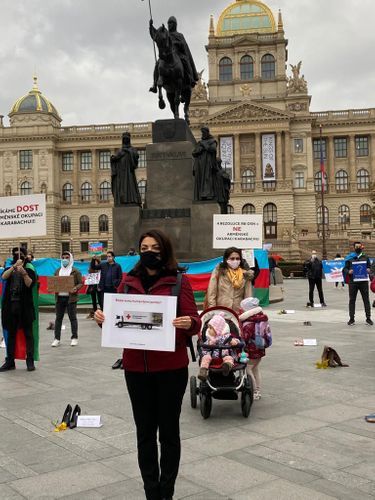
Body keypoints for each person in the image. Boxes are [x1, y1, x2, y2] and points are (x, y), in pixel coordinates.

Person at [94, 229, 201, 500]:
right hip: (136, 370)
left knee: (168, 433)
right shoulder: (128, 282)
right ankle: (151, 492)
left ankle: (167, 491)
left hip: (171, 369)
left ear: (164, 250)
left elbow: (195, 320)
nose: (149, 251)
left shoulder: (179, 281)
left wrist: (190, 324)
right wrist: (102, 318)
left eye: (155, 247)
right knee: (144, 434)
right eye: (144, 247)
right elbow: (115, 316)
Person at [0, 247, 37, 371]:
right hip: (11, 306)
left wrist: (24, 272)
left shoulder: (30, 269)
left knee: (28, 334)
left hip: (25, 306)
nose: (18, 256)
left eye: (20, 254)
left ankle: (30, 360)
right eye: (15, 255)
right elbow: (4, 277)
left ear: (25, 256)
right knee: (11, 334)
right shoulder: (9, 268)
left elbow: (30, 284)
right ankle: (10, 361)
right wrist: (14, 267)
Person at [149, 16, 198, 93]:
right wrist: (151, 26)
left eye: (171, 23)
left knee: (185, 62)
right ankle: (155, 85)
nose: (169, 25)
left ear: (175, 24)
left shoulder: (179, 35)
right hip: (166, 55)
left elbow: (183, 46)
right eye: (168, 23)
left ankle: (190, 78)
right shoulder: (165, 33)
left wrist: (177, 43)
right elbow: (156, 36)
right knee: (157, 65)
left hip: (178, 54)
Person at [239, 297, 272, 401]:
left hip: (251, 351)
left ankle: (254, 391)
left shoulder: (248, 323)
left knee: (248, 369)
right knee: (255, 369)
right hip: (260, 349)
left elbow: (244, 338)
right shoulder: (261, 318)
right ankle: (258, 389)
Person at [205, 247, 254, 313]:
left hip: (238, 312)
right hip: (220, 310)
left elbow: (248, 296)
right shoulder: (219, 271)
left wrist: (247, 312)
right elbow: (212, 291)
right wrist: (212, 309)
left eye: (237, 258)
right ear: (226, 259)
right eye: (232, 258)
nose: (235, 261)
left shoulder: (245, 274)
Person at [51, 252, 83, 347]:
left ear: (71, 259)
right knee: (58, 319)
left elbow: (80, 283)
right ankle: (57, 339)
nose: (65, 259)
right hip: (59, 298)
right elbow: (54, 282)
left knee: (72, 318)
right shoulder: (57, 271)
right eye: (63, 258)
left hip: (71, 298)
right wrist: (52, 287)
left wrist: (76, 288)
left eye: (67, 258)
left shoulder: (75, 271)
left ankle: (74, 338)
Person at [198, 313, 239, 381]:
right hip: (212, 358)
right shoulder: (210, 338)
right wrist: (209, 343)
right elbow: (204, 347)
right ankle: (203, 372)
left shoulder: (227, 337)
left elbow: (236, 341)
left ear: (218, 329)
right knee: (205, 357)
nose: (208, 329)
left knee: (229, 358)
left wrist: (234, 342)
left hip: (224, 356)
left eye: (211, 328)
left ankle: (227, 366)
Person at [343, 242, 373, 326]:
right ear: (353, 248)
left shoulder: (365, 257)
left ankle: (368, 318)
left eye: (359, 246)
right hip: (353, 282)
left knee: (366, 300)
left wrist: (369, 270)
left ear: (361, 247)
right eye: (356, 246)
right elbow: (344, 268)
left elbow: (370, 267)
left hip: (363, 282)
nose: (358, 248)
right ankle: (351, 319)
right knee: (352, 300)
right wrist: (348, 271)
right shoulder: (349, 258)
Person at [111, 132, 141, 206]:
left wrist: (128, 151)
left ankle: (132, 200)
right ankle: (123, 200)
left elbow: (136, 156)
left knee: (130, 186)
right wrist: (113, 158)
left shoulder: (132, 149)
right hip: (121, 172)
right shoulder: (120, 150)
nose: (125, 140)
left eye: (127, 139)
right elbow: (116, 158)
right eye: (124, 139)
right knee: (122, 187)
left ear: (129, 140)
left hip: (129, 172)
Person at [192, 126, 218, 201]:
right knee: (200, 179)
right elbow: (194, 153)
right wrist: (200, 150)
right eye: (202, 133)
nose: (202, 134)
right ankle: (200, 195)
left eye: (203, 133)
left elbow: (213, 149)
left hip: (208, 163)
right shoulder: (200, 142)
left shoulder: (212, 141)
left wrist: (204, 146)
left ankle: (208, 195)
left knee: (207, 179)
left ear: (207, 133)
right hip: (200, 164)